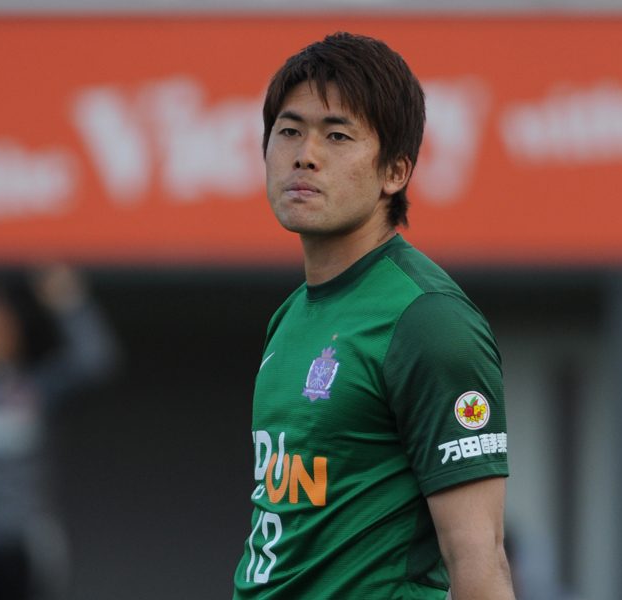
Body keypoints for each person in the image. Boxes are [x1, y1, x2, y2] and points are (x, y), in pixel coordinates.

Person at [233, 32, 513, 599]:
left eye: (337, 135)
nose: (304, 154)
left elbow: (479, 560)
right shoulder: (290, 316)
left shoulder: (428, 321)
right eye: (289, 131)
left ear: (395, 172)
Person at [0, 266, 118, 600]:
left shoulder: (36, 387)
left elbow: (95, 360)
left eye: (0, 321)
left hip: (20, 546)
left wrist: (66, 298)